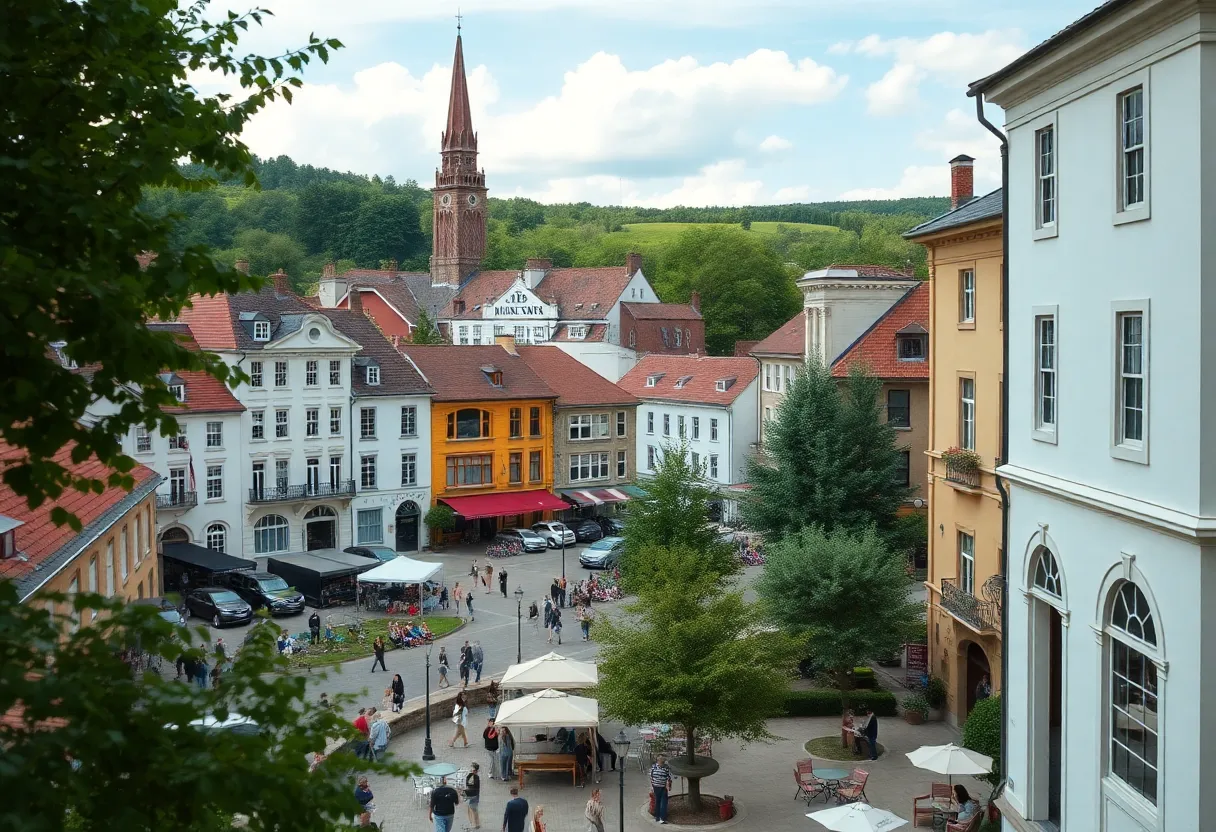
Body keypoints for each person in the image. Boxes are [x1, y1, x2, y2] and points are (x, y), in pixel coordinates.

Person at [650, 754, 672, 824]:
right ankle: (662, 818)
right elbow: (669, 778)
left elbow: (651, 777)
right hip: (662, 787)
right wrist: (669, 786)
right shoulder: (666, 768)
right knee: (663, 802)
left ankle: (657, 817)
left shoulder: (653, 767)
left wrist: (652, 786)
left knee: (658, 801)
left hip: (656, 786)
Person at [464, 762, 482, 829]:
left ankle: (475, 824)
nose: (471, 770)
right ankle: (474, 823)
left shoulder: (475, 777)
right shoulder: (472, 776)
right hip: (473, 795)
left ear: (475, 770)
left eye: (472, 769)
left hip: (473, 795)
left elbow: (471, 786)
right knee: (472, 809)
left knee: (473, 809)